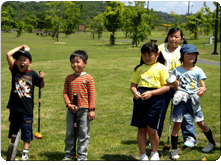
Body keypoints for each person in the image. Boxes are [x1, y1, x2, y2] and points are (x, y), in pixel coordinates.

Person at [169, 44, 216, 160]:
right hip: (180, 100)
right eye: (188, 54)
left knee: (201, 123)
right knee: (177, 124)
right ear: (182, 55)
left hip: (194, 101)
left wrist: (202, 89)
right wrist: (174, 85)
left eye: (194, 54)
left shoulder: (198, 70)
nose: (191, 56)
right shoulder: (177, 70)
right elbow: (172, 85)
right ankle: (174, 150)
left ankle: (211, 143)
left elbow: (202, 86)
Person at [130, 42, 170, 161]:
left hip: (155, 101)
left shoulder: (161, 68)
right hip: (140, 101)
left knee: (152, 129)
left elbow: (167, 87)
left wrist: (152, 93)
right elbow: (133, 85)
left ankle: (154, 152)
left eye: (150, 55)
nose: (147, 58)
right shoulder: (139, 69)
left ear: (157, 54)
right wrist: (135, 92)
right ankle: (143, 155)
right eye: (144, 55)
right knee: (141, 129)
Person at [157, 27, 197, 147]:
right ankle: (155, 137)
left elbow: (189, 67)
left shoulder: (183, 50)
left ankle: (189, 138)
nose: (173, 39)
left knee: (183, 113)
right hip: (162, 86)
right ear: (167, 37)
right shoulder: (160, 48)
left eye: (176, 37)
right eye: (171, 36)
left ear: (181, 39)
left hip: (180, 87)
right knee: (159, 113)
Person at [6, 45, 45, 160]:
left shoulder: (32, 74)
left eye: (24, 60)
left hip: (27, 109)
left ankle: (25, 152)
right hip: (14, 108)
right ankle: (15, 148)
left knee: (27, 130)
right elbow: (9, 54)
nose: (21, 62)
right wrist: (21, 48)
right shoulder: (15, 71)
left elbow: (41, 86)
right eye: (19, 60)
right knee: (14, 130)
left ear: (30, 63)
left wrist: (42, 78)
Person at [63, 50, 96, 161]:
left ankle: (82, 156)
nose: (75, 64)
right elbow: (65, 93)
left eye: (78, 62)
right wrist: (69, 105)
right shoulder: (68, 78)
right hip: (71, 110)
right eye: (72, 62)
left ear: (85, 63)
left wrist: (91, 109)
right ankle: (69, 154)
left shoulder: (88, 78)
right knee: (70, 133)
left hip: (84, 110)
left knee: (83, 133)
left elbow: (92, 95)